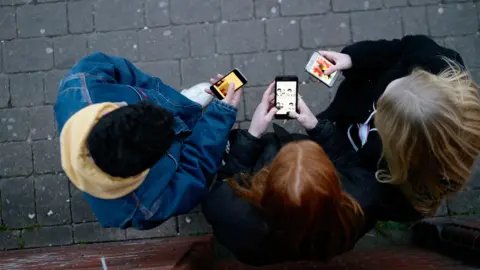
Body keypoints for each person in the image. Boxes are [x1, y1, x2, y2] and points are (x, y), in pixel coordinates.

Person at [202, 82, 391, 265]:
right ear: (332, 177)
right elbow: (348, 161)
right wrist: (315, 125)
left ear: (268, 178)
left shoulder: (232, 215)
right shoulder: (361, 204)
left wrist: (252, 135)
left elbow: (226, 179)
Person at [54, 53, 242, 230]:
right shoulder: (145, 208)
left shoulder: (81, 83)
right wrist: (219, 117)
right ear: (148, 166)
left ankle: (182, 104)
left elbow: (127, 73)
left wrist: (171, 101)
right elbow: (195, 172)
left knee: (176, 109)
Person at [317, 35, 480, 218]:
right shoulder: (433, 60)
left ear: (403, 148)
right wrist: (353, 58)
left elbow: (354, 172)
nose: (376, 105)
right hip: (342, 120)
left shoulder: (394, 187)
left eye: (382, 114)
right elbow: (398, 48)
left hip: (340, 149)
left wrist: (319, 131)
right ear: (418, 75)